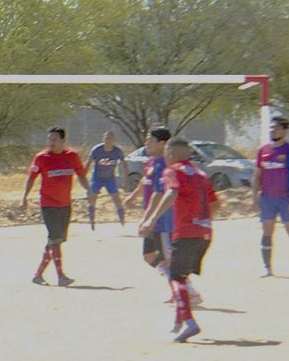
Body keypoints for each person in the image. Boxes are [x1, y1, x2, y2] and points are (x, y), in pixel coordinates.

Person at [140, 138, 218, 343]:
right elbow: (215, 203)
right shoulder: (200, 173)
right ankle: (178, 323)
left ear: (171, 154)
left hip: (186, 232)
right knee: (180, 275)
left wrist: (152, 219)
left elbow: (171, 193)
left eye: (167, 152)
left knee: (175, 277)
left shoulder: (172, 171)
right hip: (205, 233)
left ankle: (190, 323)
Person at [125, 127, 203, 306]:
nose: (146, 143)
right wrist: (133, 196)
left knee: (169, 257)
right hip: (153, 219)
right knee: (149, 255)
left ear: (162, 144)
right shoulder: (151, 162)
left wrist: (148, 218)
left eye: (150, 140)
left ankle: (188, 291)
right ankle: (176, 288)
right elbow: (146, 183)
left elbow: (159, 194)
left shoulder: (166, 166)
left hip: (164, 220)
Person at [22, 126, 90, 287]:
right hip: (48, 204)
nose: (50, 142)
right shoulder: (41, 158)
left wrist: (89, 191)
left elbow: (81, 175)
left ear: (63, 141)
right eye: (49, 139)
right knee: (55, 239)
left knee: (55, 241)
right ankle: (61, 277)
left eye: (54, 139)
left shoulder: (72, 156)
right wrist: (24, 197)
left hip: (65, 204)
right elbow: (31, 178)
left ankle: (38, 275)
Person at [253, 116, 289, 278]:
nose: (272, 130)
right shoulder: (262, 151)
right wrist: (254, 195)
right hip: (267, 198)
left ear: (284, 130)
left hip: (286, 198)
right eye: (271, 128)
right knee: (267, 231)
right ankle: (267, 268)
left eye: (275, 128)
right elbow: (257, 175)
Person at [84, 131, 127, 229]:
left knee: (117, 199)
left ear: (113, 140)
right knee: (92, 198)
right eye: (106, 138)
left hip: (110, 179)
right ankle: (92, 222)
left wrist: (126, 178)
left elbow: (124, 164)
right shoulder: (97, 150)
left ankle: (122, 222)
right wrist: (84, 176)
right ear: (103, 139)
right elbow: (88, 162)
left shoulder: (117, 151)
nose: (108, 141)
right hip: (97, 178)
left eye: (110, 139)